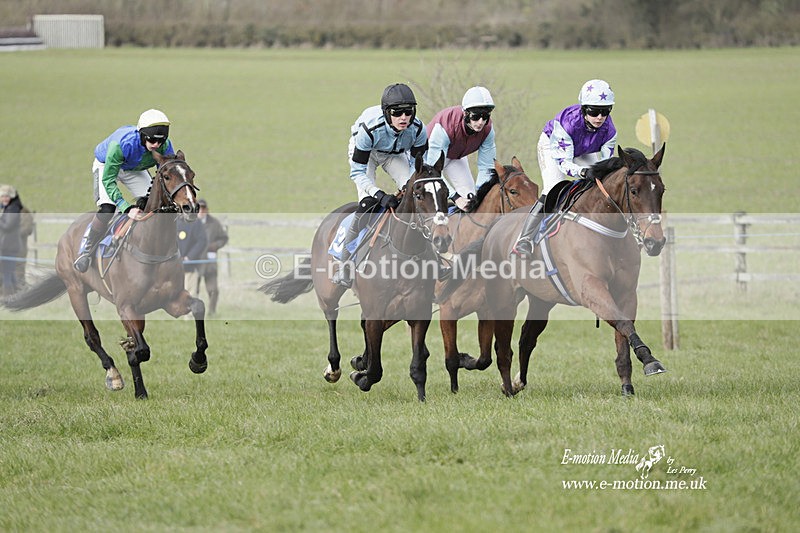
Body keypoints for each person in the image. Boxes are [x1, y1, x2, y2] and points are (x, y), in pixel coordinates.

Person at [332, 82, 429, 287]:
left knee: (418, 192)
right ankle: (346, 263)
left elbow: (418, 167)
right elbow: (357, 172)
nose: (404, 118)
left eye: (408, 112)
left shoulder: (418, 129)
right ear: (386, 113)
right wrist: (379, 195)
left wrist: (408, 187)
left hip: (393, 154)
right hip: (366, 153)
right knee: (367, 206)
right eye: (397, 113)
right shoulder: (370, 129)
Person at [513, 79, 617, 255]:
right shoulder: (568, 124)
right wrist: (583, 171)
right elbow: (564, 164)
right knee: (553, 187)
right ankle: (525, 238)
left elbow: (606, 167)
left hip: (584, 148)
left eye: (605, 111)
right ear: (584, 109)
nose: (600, 117)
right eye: (594, 111)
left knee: (598, 184)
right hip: (554, 147)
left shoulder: (610, 130)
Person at [73, 109, 175, 273]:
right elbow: (108, 179)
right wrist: (126, 207)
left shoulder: (165, 146)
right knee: (108, 208)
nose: (156, 145)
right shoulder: (122, 145)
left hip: (135, 168)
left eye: (160, 141)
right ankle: (87, 250)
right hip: (108, 166)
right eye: (151, 140)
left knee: (153, 204)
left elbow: (166, 172)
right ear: (142, 135)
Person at [425, 86, 497, 212]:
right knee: (436, 200)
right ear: (465, 113)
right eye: (476, 116)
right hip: (428, 161)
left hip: (455, 157)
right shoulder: (444, 127)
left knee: (471, 203)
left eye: (485, 116)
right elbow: (432, 171)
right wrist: (455, 197)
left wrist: (480, 196)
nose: (480, 122)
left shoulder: (488, 130)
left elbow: (486, 167)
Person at [196, 199, 228, 316]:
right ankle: (193, 312)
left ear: (207, 210)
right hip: (195, 262)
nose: (201, 211)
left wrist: (215, 246)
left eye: (203, 208)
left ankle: (212, 312)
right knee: (193, 290)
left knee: (213, 290)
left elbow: (224, 238)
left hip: (210, 263)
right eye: (199, 208)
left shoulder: (214, 223)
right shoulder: (190, 222)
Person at [0, 184, 23, 296]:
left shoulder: (13, 209)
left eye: (6, 196)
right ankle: (19, 296)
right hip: (7, 246)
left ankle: (8, 298)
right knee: (10, 274)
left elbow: (7, 225)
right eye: (2, 196)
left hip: (9, 247)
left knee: (7, 275)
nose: (4, 199)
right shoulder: (8, 208)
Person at [177, 216, 207, 297]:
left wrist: (189, 257)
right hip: (173, 268)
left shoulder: (195, 222)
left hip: (189, 268)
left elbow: (202, 240)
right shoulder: (171, 221)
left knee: (189, 296)